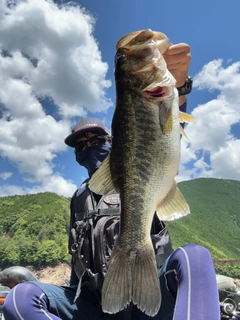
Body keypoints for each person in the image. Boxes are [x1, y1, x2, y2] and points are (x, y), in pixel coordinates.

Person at [3, 43, 220, 320]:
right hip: (94, 302)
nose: (88, 146)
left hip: (153, 289)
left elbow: (163, 134)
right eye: (81, 145)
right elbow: (77, 262)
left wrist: (178, 89)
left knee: (195, 258)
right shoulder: (78, 197)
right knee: (21, 298)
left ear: (114, 141)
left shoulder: (138, 160)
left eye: (97, 140)